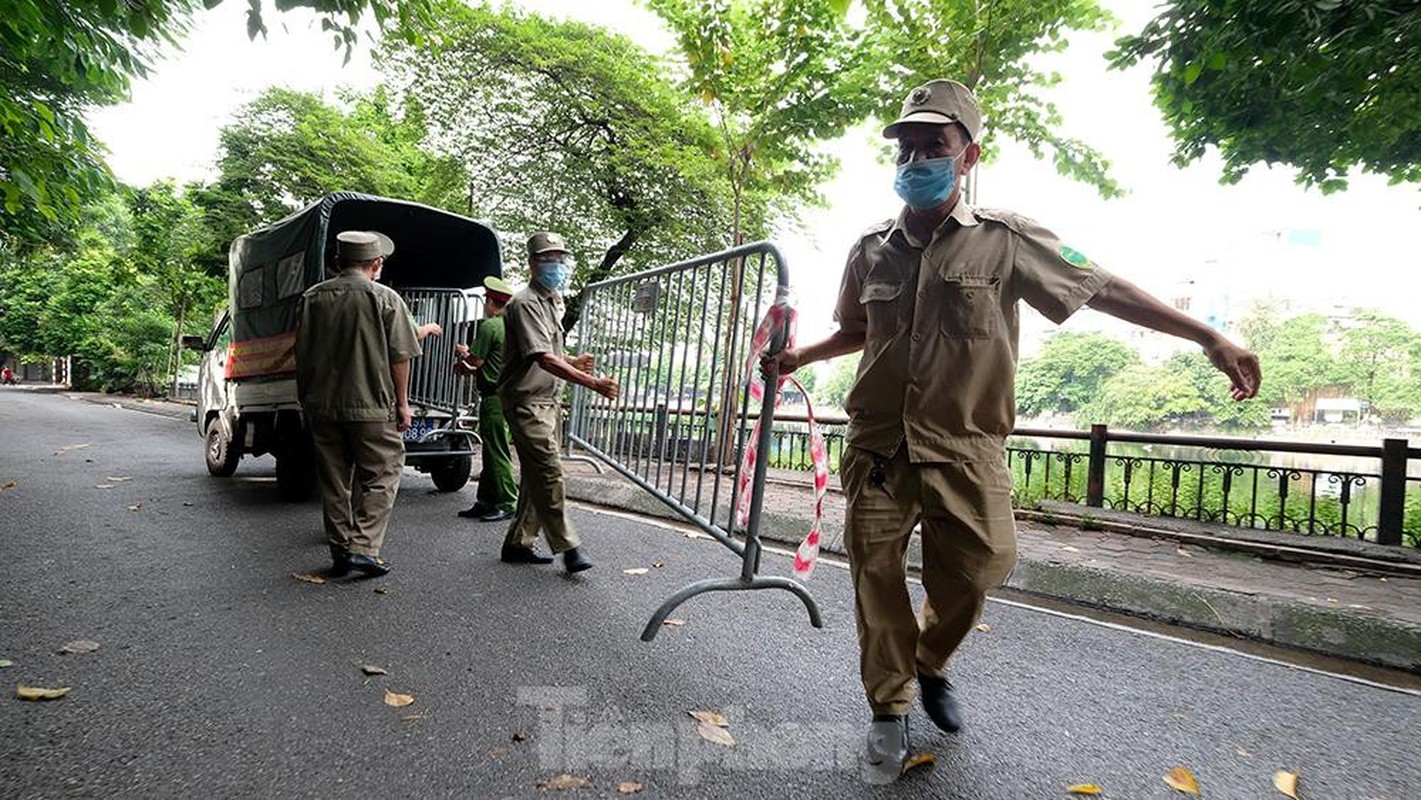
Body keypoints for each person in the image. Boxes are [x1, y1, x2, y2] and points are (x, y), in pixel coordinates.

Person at [764, 79, 1261, 777]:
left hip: (965, 445)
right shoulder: (868, 248)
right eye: (905, 146)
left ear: (968, 156)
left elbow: (1103, 288)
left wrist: (1205, 335)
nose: (914, 158)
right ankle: (888, 705)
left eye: (932, 145)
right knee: (876, 580)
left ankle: (929, 661)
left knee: (978, 571)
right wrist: (800, 356)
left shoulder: (1006, 240)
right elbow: (853, 328)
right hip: (877, 445)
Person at [296, 230, 423, 578]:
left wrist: (305, 399)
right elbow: (400, 356)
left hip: (321, 404)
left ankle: (340, 549)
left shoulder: (312, 298)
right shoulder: (385, 298)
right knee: (385, 470)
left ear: (338, 262)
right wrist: (403, 403)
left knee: (335, 479)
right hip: (371, 405)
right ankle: (363, 547)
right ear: (376, 263)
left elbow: (301, 354)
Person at [496, 232, 619, 573]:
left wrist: (574, 361)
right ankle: (570, 547)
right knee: (550, 471)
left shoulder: (552, 301)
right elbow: (542, 359)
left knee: (538, 474)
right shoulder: (524, 303)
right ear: (532, 263)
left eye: (560, 259)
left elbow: (551, 353)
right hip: (525, 402)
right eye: (548, 259)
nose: (556, 265)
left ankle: (518, 544)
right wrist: (592, 382)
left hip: (547, 401)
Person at [454, 276, 518, 522]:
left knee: (497, 452)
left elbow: (477, 362)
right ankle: (485, 501)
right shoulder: (512, 328)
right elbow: (492, 362)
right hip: (509, 397)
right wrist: (471, 359)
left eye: (485, 300)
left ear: (491, 302)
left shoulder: (489, 326)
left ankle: (507, 502)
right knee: (492, 450)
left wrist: (464, 359)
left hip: (493, 398)